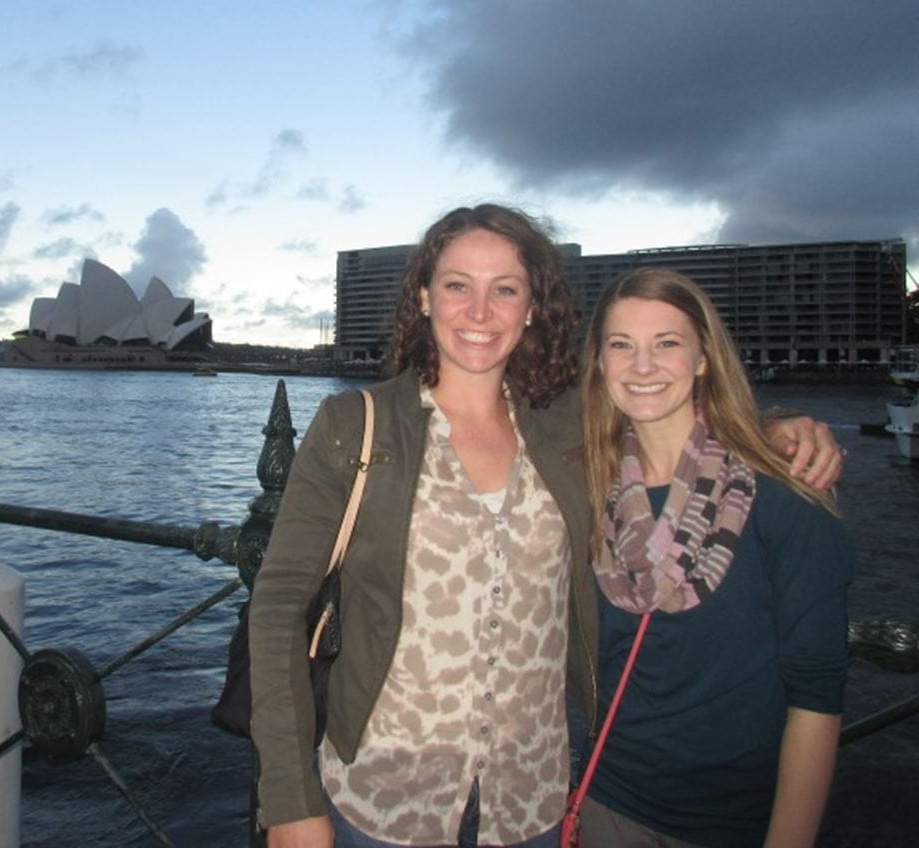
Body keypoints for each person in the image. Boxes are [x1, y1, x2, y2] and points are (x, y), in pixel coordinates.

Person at [247, 204, 843, 848]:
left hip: (531, 805)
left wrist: (777, 429)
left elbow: (666, 415)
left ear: (532, 308)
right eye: (457, 285)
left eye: (505, 290)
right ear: (423, 296)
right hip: (381, 803)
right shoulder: (356, 426)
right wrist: (289, 798)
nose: (480, 311)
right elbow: (278, 607)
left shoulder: (566, 429)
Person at [577, 267, 852, 847]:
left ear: (704, 358)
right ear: (599, 363)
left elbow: (817, 697)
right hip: (605, 803)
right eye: (621, 345)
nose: (642, 366)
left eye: (666, 344)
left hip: (731, 822)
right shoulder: (587, 488)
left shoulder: (785, 495)